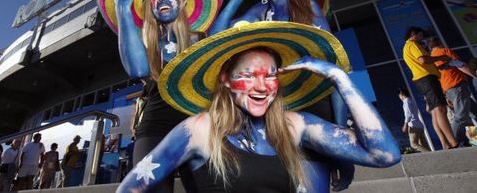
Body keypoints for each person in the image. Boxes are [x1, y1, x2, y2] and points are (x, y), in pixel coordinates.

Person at [117, 22, 401, 193]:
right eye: (248, 75)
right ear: (226, 80)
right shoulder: (200, 130)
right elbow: (130, 187)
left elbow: (385, 154)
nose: (262, 85)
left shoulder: (294, 125)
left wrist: (339, 78)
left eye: (270, 74)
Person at [210, 0, 352, 190]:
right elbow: (216, 37)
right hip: (271, 116)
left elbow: (336, 72)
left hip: (312, 113)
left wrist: (341, 141)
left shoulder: (308, 11)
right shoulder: (259, 11)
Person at [96, 0, 223, 193]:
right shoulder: (146, 45)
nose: (160, 0)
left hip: (197, 126)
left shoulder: (201, 39)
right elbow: (137, 70)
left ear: (183, 1)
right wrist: (123, 10)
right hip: (154, 128)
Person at [402, 27, 459, 149]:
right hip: (427, 79)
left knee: (435, 111)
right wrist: (441, 58)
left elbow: (423, 63)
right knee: (440, 109)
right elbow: (423, 60)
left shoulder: (407, 47)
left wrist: (439, 66)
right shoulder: (412, 44)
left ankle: (447, 144)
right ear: (413, 34)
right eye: (420, 35)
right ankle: (454, 143)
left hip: (423, 79)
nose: (422, 38)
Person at [427, 36, 477, 143]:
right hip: (457, 86)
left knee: (471, 114)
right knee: (461, 117)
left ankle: (473, 140)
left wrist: (445, 95)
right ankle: (453, 142)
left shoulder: (431, 59)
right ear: (439, 43)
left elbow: (437, 78)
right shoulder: (445, 52)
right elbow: (460, 65)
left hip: (448, 90)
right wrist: (475, 75)